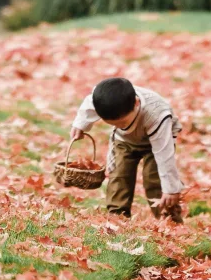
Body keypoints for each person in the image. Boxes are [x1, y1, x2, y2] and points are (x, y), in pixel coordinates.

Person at [69, 76, 183, 221]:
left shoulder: (156, 114)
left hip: (155, 142)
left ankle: (169, 220)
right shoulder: (102, 100)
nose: (119, 126)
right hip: (124, 141)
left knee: (154, 180)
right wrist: (80, 125)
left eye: (122, 122)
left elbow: (164, 154)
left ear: (136, 103)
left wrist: (171, 189)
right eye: (113, 124)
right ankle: (117, 218)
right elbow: (89, 104)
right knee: (119, 176)